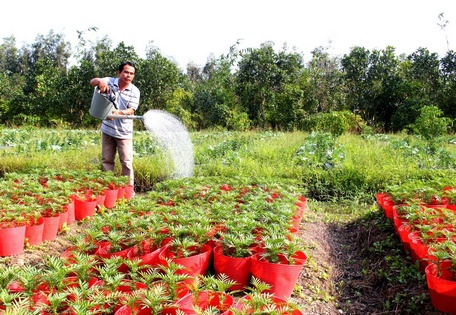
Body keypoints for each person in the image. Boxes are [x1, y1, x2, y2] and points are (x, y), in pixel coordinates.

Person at [90, 62, 140, 189]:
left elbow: (131, 110)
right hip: (107, 130)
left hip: (124, 132)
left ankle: (128, 191)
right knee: (107, 161)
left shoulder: (134, 91)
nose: (128, 75)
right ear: (119, 72)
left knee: (127, 163)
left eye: (131, 73)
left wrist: (117, 113)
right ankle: (108, 188)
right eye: (126, 72)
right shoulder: (110, 81)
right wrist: (99, 82)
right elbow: (92, 81)